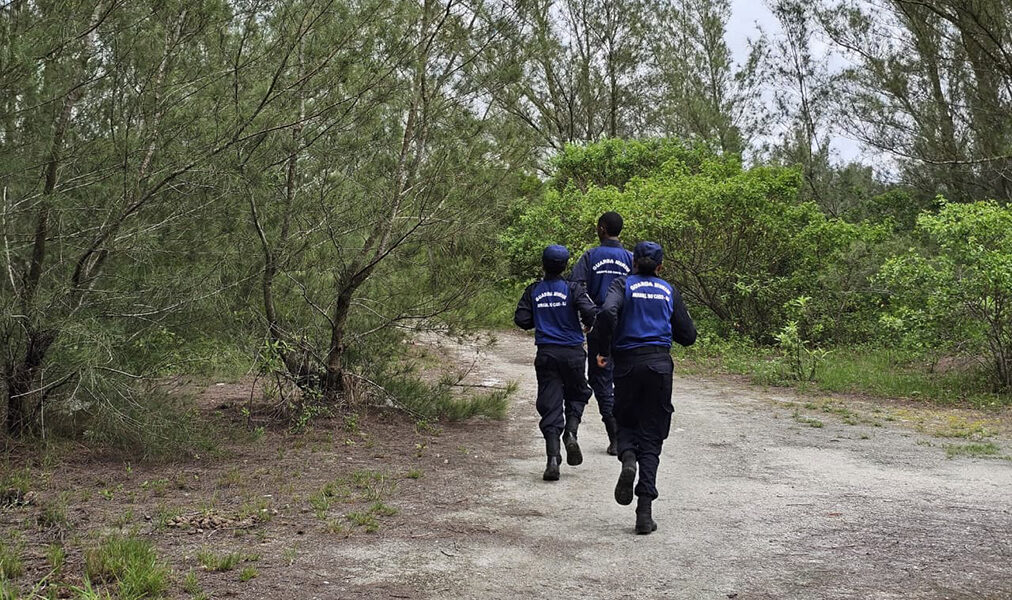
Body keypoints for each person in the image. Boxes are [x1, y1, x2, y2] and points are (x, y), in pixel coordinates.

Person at [595, 241, 697, 534]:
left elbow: (606, 313)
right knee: (652, 435)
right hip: (659, 366)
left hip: (627, 365)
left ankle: (628, 459)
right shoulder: (668, 290)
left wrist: (603, 349)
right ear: (661, 266)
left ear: (633, 263)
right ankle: (644, 511)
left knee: (626, 421)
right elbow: (688, 336)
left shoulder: (621, 285)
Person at [514, 245, 597, 480]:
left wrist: (539, 319)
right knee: (579, 393)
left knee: (550, 403)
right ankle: (571, 432)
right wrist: (587, 326)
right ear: (565, 266)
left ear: (543, 264)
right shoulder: (573, 289)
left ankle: (552, 458)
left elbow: (521, 319)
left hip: (547, 354)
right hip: (573, 352)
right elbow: (591, 311)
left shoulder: (534, 290)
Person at [570, 212, 634, 456]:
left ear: (602, 229)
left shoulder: (590, 256)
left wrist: (589, 317)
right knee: (625, 378)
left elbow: (576, 286)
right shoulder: (631, 258)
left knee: (601, 377)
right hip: (626, 327)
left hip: (598, 327)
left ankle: (615, 435)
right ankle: (627, 434)